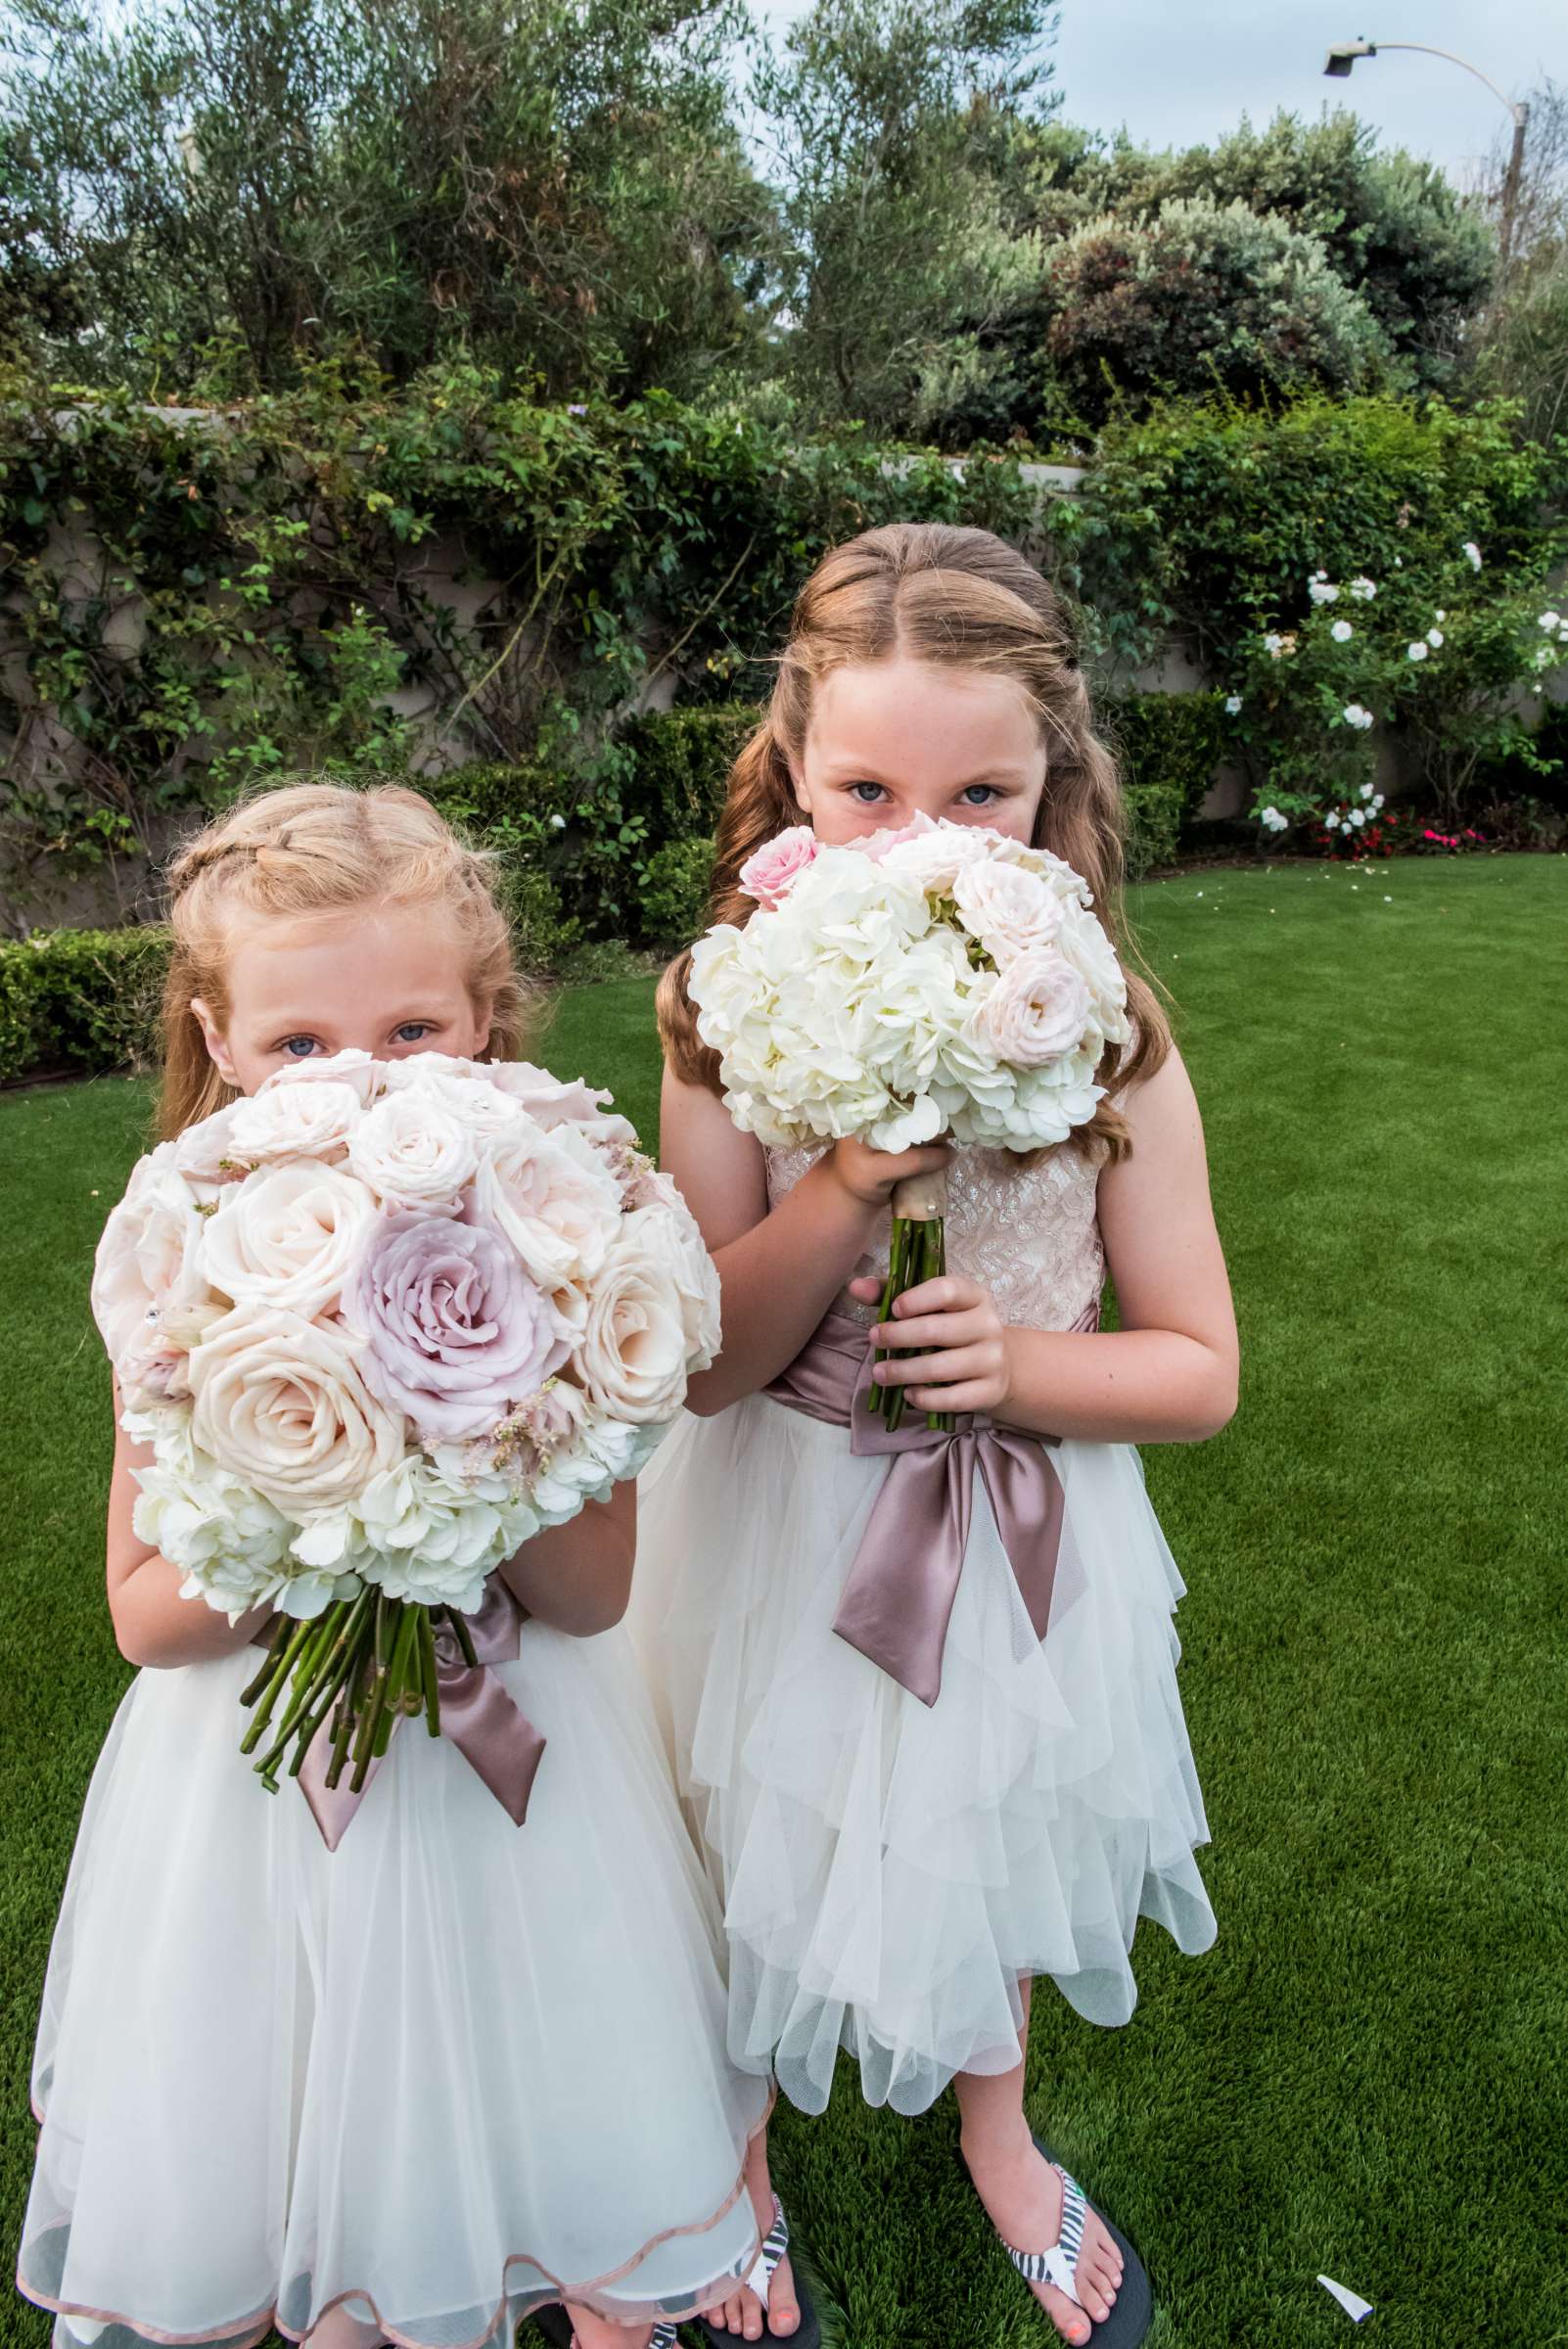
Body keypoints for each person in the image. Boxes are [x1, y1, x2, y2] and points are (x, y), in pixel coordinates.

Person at [18, 782, 771, 2349]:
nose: (355, 1078)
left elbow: (589, 1598)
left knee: (551, 2080)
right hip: (256, 1808)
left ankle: (590, 2282)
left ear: (488, 1026)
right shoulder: (182, 1281)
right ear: (219, 1043)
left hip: (531, 1767)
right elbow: (149, 1619)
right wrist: (329, 1503)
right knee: (301, 2099)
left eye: (412, 1031)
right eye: (298, 1043)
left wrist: (479, 1452)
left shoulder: (570, 1250)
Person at [631, 526, 1237, 2347]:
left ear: (1056, 787)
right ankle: (730, 2158)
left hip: (1019, 1529)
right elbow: (708, 1364)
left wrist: (1025, 1370)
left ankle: (999, 2129)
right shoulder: (721, 1007)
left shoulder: (1106, 1032)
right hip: (773, 1513)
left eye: (983, 791)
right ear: (796, 771)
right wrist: (844, 1181)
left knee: (998, 1820)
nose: (924, 837)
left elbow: (1197, 1369)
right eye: (868, 789)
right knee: (738, 1831)